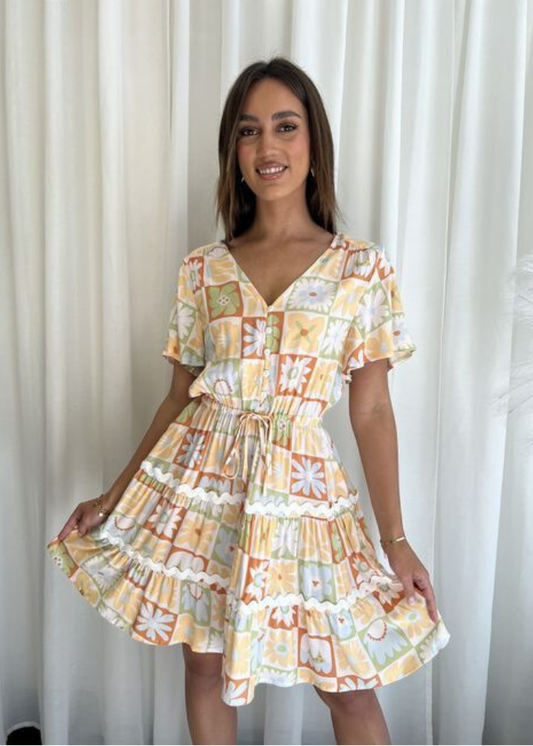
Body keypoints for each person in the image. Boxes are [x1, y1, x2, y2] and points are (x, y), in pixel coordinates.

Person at [46, 56, 451, 745]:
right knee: (204, 667)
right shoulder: (202, 269)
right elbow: (179, 397)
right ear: (233, 154)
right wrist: (116, 494)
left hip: (301, 494)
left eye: (285, 127)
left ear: (312, 145)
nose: (267, 148)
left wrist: (396, 542)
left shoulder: (360, 268)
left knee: (349, 687)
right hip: (201, 488)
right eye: (248, 132)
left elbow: (371, 410)